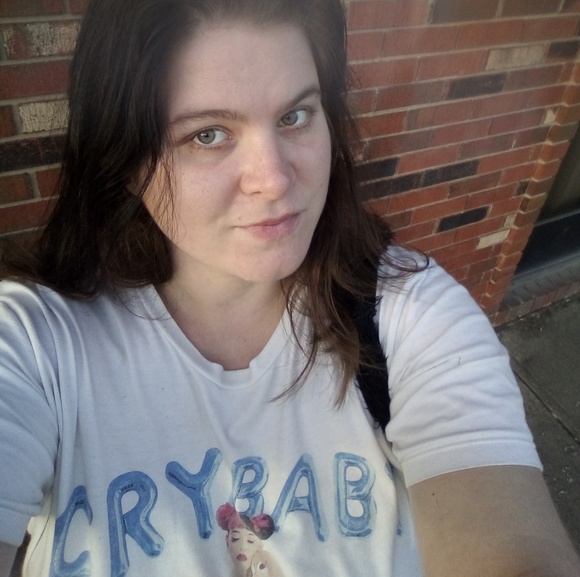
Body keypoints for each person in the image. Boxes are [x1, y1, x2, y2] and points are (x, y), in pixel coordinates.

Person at [0, 0, 579, 575]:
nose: (275, 179)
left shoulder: (409, 312)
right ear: (126, 161)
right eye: (207, 134)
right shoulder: (35, 347)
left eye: (295, 116)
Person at [216, 503, 283, 577]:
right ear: (227, 541)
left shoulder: (267, 563)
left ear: (260, 545)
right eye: (235, 538)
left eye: (250, 541)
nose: (243, 547)